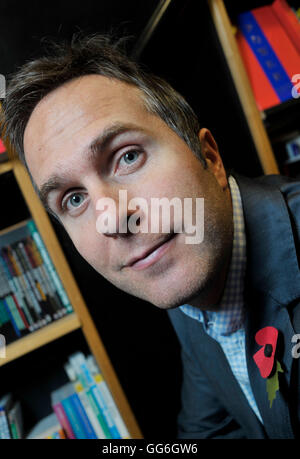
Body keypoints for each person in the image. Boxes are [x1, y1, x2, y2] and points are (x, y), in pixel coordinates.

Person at [1, 34, 300, 439]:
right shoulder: (189, 288)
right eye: (73, 199)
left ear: (208, 157)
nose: (112, 220)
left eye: (128, 156)